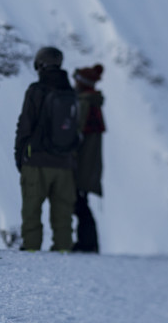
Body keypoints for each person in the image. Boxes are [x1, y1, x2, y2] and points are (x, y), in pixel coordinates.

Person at [15, 46, 80, 252]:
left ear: (40, 64)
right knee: (63, 215)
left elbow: (25, 125)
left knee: (32, 212)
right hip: (65, 163)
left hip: (37, 161)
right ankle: (63, 252)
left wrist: (20, 156)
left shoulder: (36, 90)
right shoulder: (71, 93)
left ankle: (32, 253)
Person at [72, 64, 105, 253]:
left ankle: (87, 243)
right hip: (90, 164)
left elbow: (78, 134)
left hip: (81, 164)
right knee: (80, 202)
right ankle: (88, 242)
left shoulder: (84, 103)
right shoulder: (93, 102)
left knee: (78, 203)